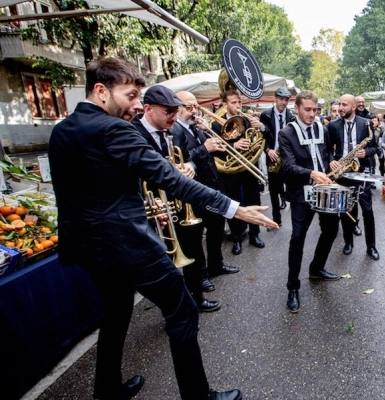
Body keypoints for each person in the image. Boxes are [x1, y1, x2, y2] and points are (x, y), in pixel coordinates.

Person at [49, 57, 277, 400]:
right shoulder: (113, 128)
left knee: (116, 312)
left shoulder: (62, 130)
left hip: (86, 246)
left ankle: (107, 389)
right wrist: (235, 209)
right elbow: (169, 178)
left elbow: (87, 192)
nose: (137, 106)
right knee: (182, 310)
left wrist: (138, 206)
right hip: (126, 244)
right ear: (100, 91)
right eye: (130, 96)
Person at [131, 86, 226, 313]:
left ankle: (196, 297)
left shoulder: (177, 131)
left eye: (176, 111)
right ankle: (171, 308)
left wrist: (188, 167)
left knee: (193, 250)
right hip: (154, 207)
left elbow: (189, 158)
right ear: (148, 109)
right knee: (160, 260)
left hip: (182, 205)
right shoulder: (132, 132)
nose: (174, 117)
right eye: (168, 112)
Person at [279, 90, 342, 313]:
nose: (312, 114)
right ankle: (292, 287)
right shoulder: (286, 133)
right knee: (297, 237)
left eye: (315, 110)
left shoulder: (322, 128)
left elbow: (325, 155)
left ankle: (316, 267)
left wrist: (331, 162)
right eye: (307, 109)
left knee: (331, 229)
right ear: (296, 108)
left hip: (323, 190)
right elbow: (287, 166)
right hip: (301, 193)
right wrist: (311, 173)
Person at [175, 90, 233, 304]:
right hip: (195, 194)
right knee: (196, 238)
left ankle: (216, 264)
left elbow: (210, 152)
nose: (194, 111)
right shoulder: (175, 131)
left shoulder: (194, 128)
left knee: (217, 227)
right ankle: (200, 276)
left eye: (195, 107)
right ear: (178, 108)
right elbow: (180, 161)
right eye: (189, 107)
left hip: (212, 187)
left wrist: (213, 140)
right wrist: (204, 148)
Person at [212, 89, 267, 255]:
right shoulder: (215, 123)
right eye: (233, 103)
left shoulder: (246, 120)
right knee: (234, 205)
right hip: (231, 172)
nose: (237, 106)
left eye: (239, 102)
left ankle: (254, 235)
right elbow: (214, 150)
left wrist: (261, 128)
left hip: (249, 169)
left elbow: (259, 138)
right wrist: (234, 146)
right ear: (225, 104)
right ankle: (237, 238)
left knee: (253, 201)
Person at [329, 94, 381, 261]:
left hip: (361, 171)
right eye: (340, 104)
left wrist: (366, 152)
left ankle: (371, 246)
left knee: (368, 210)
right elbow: (328, 149)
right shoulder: (333, 125)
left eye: (344, 105)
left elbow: (375, 148)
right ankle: (348, 243)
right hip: (343, 172)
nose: (341, 108)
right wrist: (331, 161)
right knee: (345, 210)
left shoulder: (365, 123)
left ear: (353, 107)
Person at [260, 87, 293, 228]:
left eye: (286, 100)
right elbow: (261, 138)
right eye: (281, 99)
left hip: (286, 156)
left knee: (290, 185)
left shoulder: (291, 116)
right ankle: (276, 219)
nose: (283, 102)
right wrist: (268, 150)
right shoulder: (265, 115)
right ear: (275, 98)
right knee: (273, 190)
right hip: (272, 156)